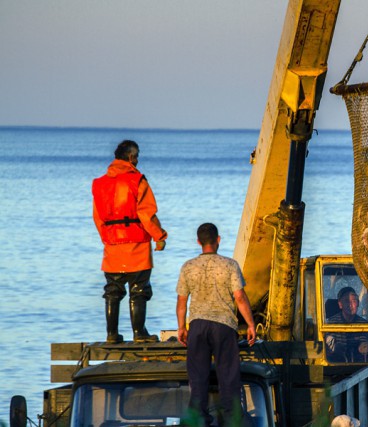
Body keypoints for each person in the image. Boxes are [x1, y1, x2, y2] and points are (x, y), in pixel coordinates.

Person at [175, 223, 256, 427]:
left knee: (198, 376)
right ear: (218, 239)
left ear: (198, 242)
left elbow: (182, 301)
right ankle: (232, 419)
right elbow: (239, 297)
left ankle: (199, 419)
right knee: (228, 375)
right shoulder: (230, 265)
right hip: (224, 326)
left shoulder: (188, 267)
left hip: (198, 325)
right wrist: (251, 324)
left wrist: (181, 328)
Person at [92, 140, 167, 344]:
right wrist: (159, 237)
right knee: (139, 290)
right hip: (137, 244)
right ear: (132, 157)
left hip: (112, 246)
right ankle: (139, 333)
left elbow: (98, 218)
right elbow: (146, 214)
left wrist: (107, 238)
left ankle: (111, 334)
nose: (138, 160)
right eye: (138, 156)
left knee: (113, 290)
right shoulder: (137, 180)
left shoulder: (99, 184)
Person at [324, 286, 368, 363]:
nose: (350, 305)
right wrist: (336, 348)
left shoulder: (364, 324)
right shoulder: (332, 323)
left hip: (359, 364)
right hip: (336, 364)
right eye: (346, 301)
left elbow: (365, 345)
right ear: (340, 304)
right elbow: (329, 347)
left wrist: (364, 347)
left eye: (354, 301)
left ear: (358, 303)